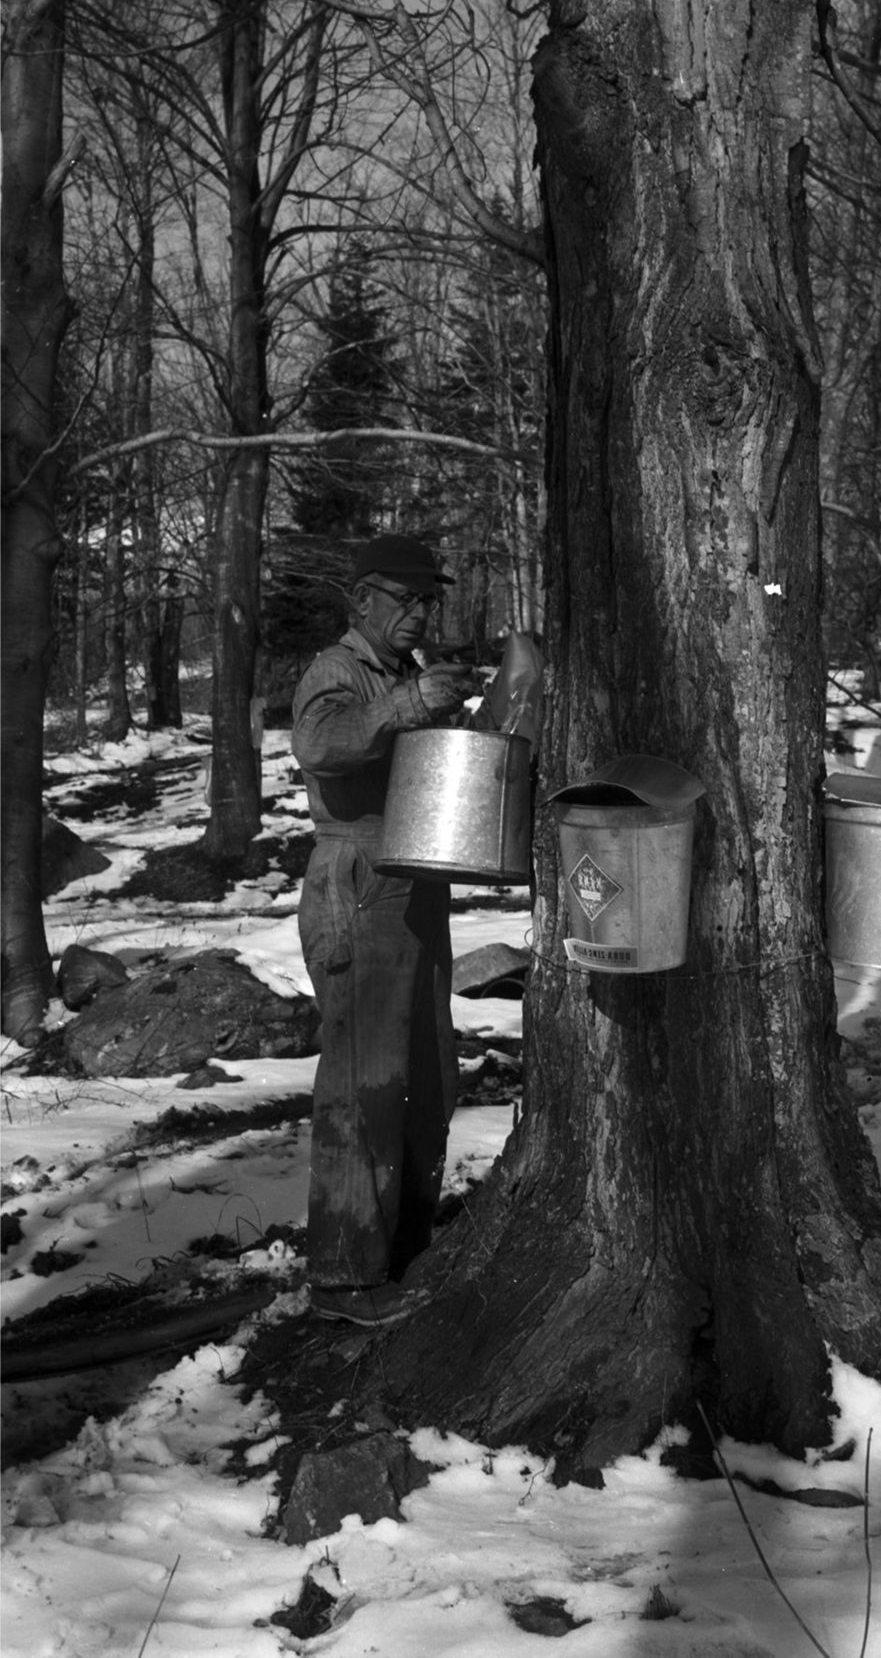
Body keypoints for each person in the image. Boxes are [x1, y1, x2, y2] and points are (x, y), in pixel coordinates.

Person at [291, 534, 478, 1327]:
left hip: (413, 879)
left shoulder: (405, 672)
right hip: (358, 879)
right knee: (363, 1081)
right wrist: (407, 707)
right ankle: (343, 1273)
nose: (419, 612)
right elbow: (320, 744)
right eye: (405, 599)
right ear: (362, 598)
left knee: (425, 1074)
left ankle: (400, 1248)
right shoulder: (337, 672)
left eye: (427, 600)